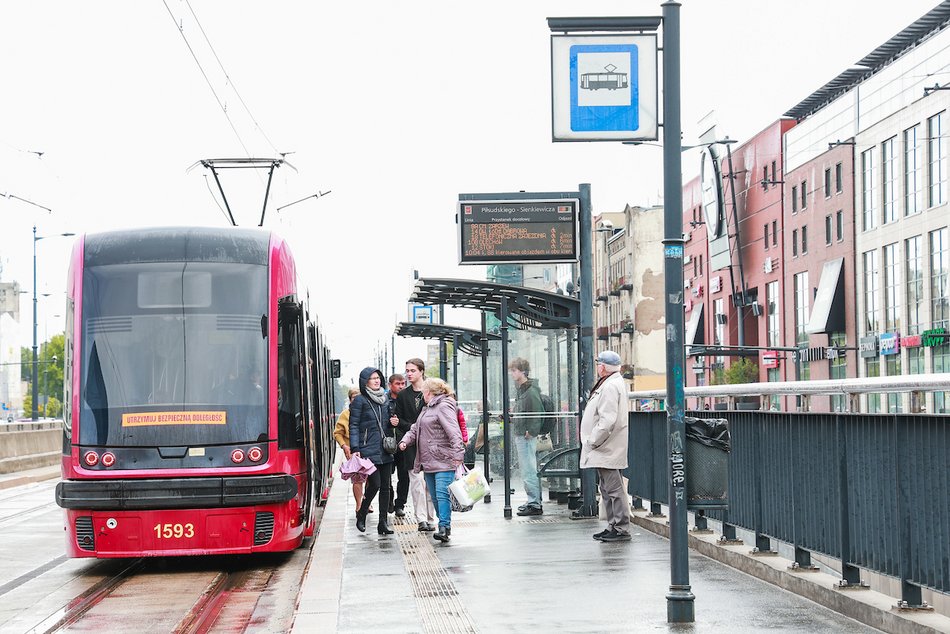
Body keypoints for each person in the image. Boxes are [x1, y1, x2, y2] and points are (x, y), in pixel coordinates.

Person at [398, 378, 464, 543]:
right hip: (428, 461)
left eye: (423, 392)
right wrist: (405, 441)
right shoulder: (428, 408)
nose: (422, 395)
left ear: (429, 392)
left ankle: (444, 528)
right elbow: (415, 428)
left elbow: (454, 432)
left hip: (444, 459)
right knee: (434, 496)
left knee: (442, 495)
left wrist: (458, 456)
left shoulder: (444, 406)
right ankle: (444, 524)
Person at [580, 350, 631, 543]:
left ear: (603, 367)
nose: (597, 367)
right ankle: (613, 525)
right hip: (606, 445)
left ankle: (620, 527)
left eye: (599, 364)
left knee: (613, 488)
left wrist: (593, 440)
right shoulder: (611, 383)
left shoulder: (610, 386)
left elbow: (607, 420)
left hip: (606, 445)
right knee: (607, 487)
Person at [349, 367, 395, 535]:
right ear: (365, 381)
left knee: (386, 487)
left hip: (385, 448)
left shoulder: (386, 399)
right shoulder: (360, 401)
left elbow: (387, 423)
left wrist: (393, 423)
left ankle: (382, 522)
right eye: (372, 378)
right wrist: (356, 448)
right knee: (374, 483)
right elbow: (353, 425)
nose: (376, 380)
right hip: (368, 448)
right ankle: (362, 513)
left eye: (378, 378)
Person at [393, 358, 437, 532]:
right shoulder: (403, 395)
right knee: (417, 482)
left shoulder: (432, 391)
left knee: (429, 483)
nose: (409, 374)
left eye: (412, 370)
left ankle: (430, 517)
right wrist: (410, 428)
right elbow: (398, 419)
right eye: (407, 371)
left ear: (421, 371)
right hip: (411, 444)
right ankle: (421, 519)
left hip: (431, 443)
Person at [508, 357, 544, 516]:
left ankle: (534, 503)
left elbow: (538, 412)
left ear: (523, 371)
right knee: (527, 467)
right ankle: (532, 500)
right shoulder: (523, 389)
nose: (512, 373)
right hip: (522, 432)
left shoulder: (529, 390)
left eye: (514, 370)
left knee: (528, 468)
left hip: (526, 435)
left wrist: (532, 430)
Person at [333, 388, 365, 510]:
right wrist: (344, 446)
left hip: (368, 449)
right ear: (350, 400)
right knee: (357, 479)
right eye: (353, 398)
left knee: (370, 479)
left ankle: (367, 502)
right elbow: (337, 433)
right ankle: (359, 504)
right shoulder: (345, 415)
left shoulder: (367, 412)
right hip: (352, 452)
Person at [386, 373, 406, 514]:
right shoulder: (383, 400)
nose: (400, 386)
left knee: (404, 476)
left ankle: (400, 504)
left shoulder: (405, 399)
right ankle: (389, 501)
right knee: (386, 475)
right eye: (397, 384)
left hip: (403, 442)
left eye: (403, 384)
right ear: (390, 385)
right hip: (387, 443)